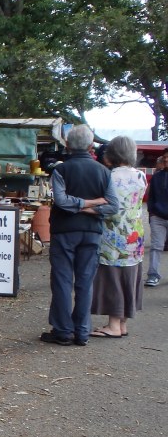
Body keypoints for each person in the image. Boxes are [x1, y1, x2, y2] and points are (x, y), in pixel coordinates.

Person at [42, 124, 119, 346]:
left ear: (67, 144)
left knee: (62, 280)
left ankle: (63, 330)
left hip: (64, 230)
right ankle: (82, 331)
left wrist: (77, 206)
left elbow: (62, 201)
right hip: (92, 231)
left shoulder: (61, 170)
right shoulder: (104, 171)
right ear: (90, 145)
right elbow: (113, 205)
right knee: (85, 282)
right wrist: (92, 205)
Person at [90, 136, 146, 337]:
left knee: (112, 277)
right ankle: (122, 324)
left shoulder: (109, 176)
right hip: (134, 234)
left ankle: (113, 325)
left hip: (114, 235)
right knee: (129, 276)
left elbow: (109, 207)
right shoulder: (140, 176)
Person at [145, 154, 168, 287]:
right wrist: (152, 212)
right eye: (164, 159)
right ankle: (153, 275)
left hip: (158, 214)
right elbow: (151, 196)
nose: (165, 161)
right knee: (156, 246)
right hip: (158, 217)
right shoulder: (157, 177)